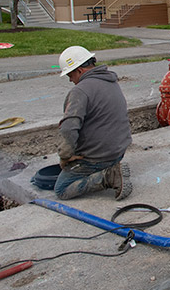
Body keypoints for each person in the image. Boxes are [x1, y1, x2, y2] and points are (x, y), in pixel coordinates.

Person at [55, 45, 133, 200]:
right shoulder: (110, 81)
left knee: (62, 189)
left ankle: (109, 176)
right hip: (118, 151)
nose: (70, 80)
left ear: (79, 70)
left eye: (70, 75)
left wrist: (65, 156)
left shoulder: (80, 91)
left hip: (99, 157)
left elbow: (68, 128)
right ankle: (111, 169)